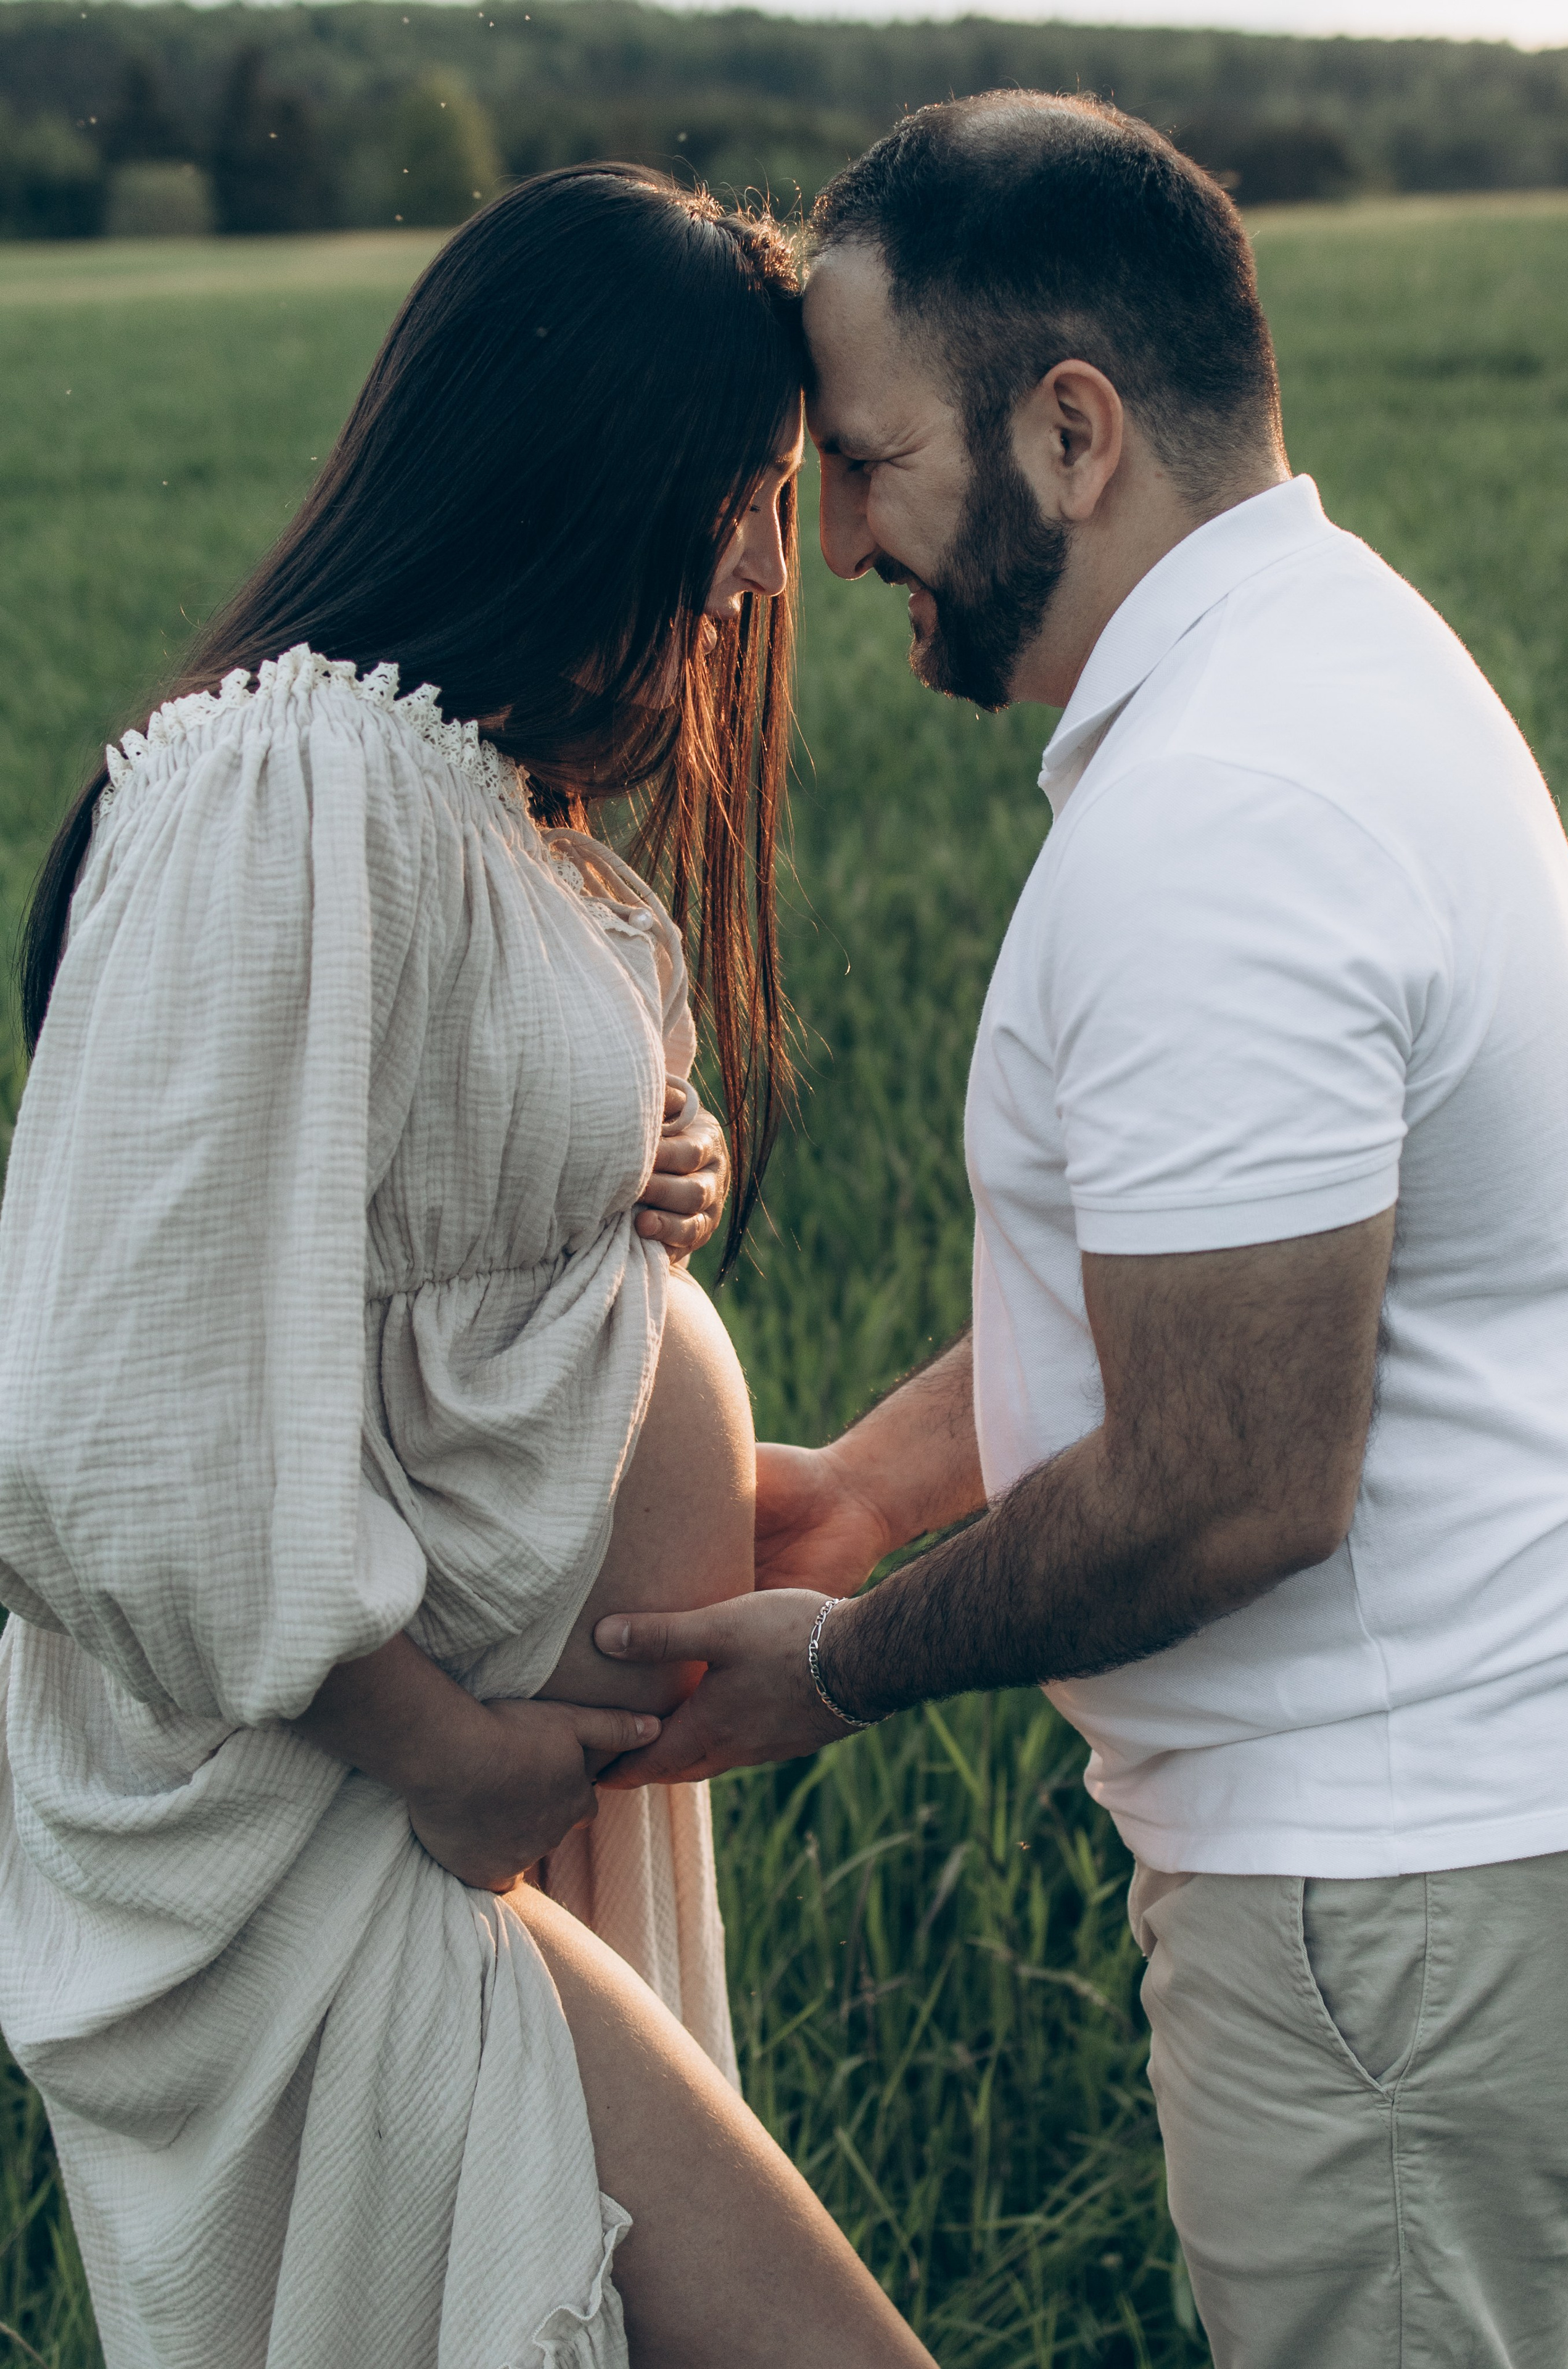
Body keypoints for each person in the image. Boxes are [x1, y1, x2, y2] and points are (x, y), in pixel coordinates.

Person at [595, 96, 1568, 2369]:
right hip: (1447, 1858)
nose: (836, 545)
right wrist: (861, 1493)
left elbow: (1238, 1467)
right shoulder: (1337, 672)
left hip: (1380, 1913)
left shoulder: (1223, 812)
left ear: (1072, 428)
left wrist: (837, 1669)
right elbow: (1243, 1281)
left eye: (867, 462)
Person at [0, 166, 935, 2369]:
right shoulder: (286, 777)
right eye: (735, 493)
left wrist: (642, 1157)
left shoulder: (477, 801)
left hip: (463, 1807)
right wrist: (428, 1737)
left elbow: (398, 1210)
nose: (755, 560)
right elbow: (119, 1395)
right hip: (340, 1826)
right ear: (572, 463)